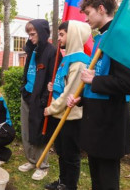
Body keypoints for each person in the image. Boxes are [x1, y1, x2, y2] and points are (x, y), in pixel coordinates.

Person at [66, 0, 130, 189]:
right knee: (96, 181)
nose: (85, 18)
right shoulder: (101, 38)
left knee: (107, 183)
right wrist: (79, 99)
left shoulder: (119, 36)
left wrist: (95, 80)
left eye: (88, 13)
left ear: (101, 9)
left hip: (109, 125)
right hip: (94, 124)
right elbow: (99, 78)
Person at [44, 21, 91, 190]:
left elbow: (70, 92)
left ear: (73, 35)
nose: (59, 38)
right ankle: (62, 181)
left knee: (70, 154)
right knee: (62, 152)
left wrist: (50, 109)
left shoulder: (79, 62)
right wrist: (53, 86)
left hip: (70, 116)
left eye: (62, 34)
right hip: (60, 114)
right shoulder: (67, 58)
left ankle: (70, 185)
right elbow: (63, 85)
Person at [18, 19, 57, 180]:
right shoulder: (32, 49)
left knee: (40, 131)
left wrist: (44, 100)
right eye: (28, 34)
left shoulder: (52, 51)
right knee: (26, 131)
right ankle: (32, 161)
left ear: (42, 33)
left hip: (40, 99)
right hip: (27, 95)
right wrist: (24, 88)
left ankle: (42, 165)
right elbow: (28, 70)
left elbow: (53, 79)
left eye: (33, 34)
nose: (30, 37)